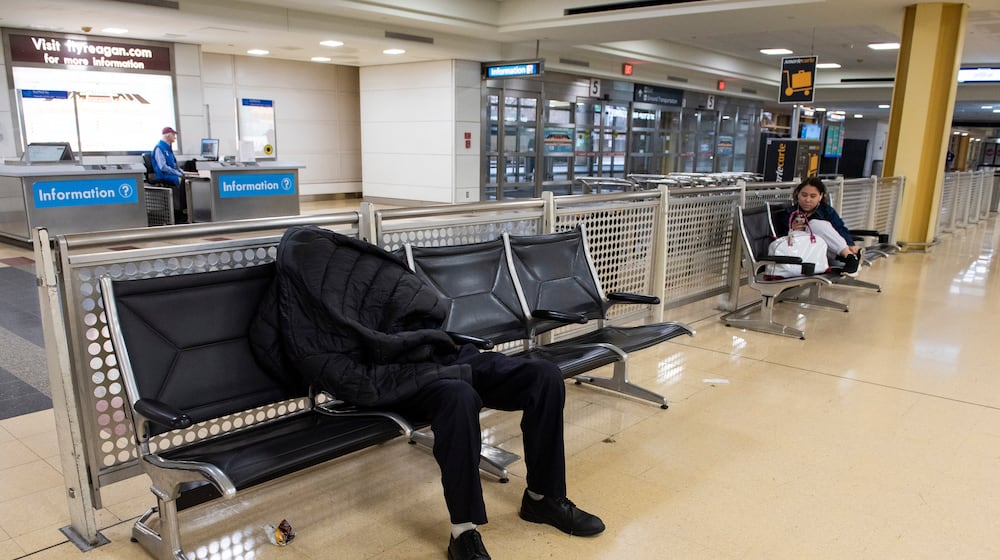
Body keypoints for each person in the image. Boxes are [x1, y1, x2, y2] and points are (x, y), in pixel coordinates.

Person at [250, 226, 605, 560]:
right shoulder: (298, 291)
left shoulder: (349, 270)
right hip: (390, 374)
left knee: (544, 376)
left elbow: (413, 305)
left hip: (437, 354)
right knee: (458, 397)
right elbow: (304, 352)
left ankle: (543, 498)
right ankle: (463, 531)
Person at [786, 177, 863, 277]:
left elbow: (840, 228)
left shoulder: (826, 211)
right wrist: (792, 230)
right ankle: (850, 257)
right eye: (804, 195)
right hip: (803, 251)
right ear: (798, 195)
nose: (807, 200)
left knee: (815, 225)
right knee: (814, 225)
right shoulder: (789, 213)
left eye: (813, 196)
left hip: (827, 252)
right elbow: (781, 239)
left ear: (820, 196)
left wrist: (850, 244)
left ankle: (849, 256)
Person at [151, 126, 187, 221]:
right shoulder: (159, 148)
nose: (175, 136)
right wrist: (177, 173)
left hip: (172, 173)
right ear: (167, 135)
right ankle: (181, 210)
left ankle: (187, 209)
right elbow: (163, 167)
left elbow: (175, 165)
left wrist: (182, 172)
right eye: (173, 134)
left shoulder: (168, 148)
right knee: (182, 182)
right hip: (164, 175)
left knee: (188, 179)